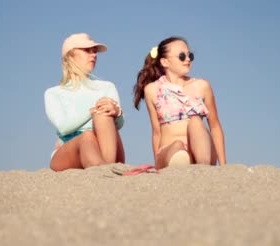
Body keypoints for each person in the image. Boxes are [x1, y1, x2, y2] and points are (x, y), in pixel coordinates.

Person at [133, 36, 226, 169]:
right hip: (170, 151)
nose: (188, 59)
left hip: (202, 152)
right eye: (182, 56)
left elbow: (215, 126)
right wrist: (157, 162)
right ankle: (179, 162)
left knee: (195, 121)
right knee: (178, 147)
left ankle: (203, 171)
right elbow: (156, 132)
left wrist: (223, 165)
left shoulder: (202, 86)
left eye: (190, 55)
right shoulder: (152, 90)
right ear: (165, 62)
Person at [45, 33, 125, 171]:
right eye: (87, 50)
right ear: (70, 56)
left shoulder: (107, 86)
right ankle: (104, 171)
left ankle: (105, 169)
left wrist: (117, 113)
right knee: (87, 137)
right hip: (70, 152)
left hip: (108, 149)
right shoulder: (53, 93)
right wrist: (92, 110)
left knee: (103, 115)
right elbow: (63, 127)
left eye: (94, 51)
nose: (93, 55)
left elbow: (118, 125)